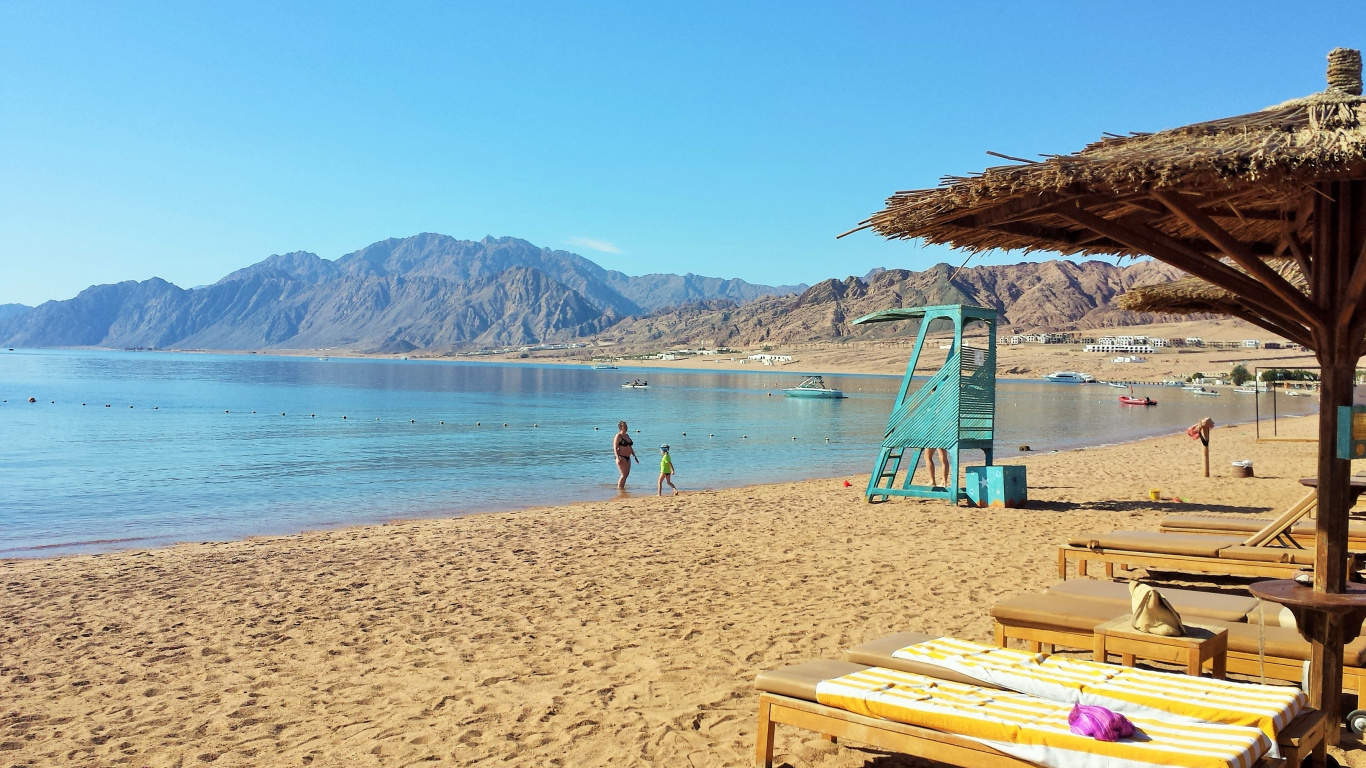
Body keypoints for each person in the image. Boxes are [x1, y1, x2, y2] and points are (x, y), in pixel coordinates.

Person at [613, 421, 638, 489]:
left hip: (628, 457)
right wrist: (617, 457)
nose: (626, 427)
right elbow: (615, 447)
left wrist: (634, 456)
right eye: (624, 426)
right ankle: (619, 488)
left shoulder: (627, 435)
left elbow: (630, 447)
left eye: (626, 426)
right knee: (623, 475)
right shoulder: (618, 436)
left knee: (626, 475)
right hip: (621, 457)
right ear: (621, 427)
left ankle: (622, 488)